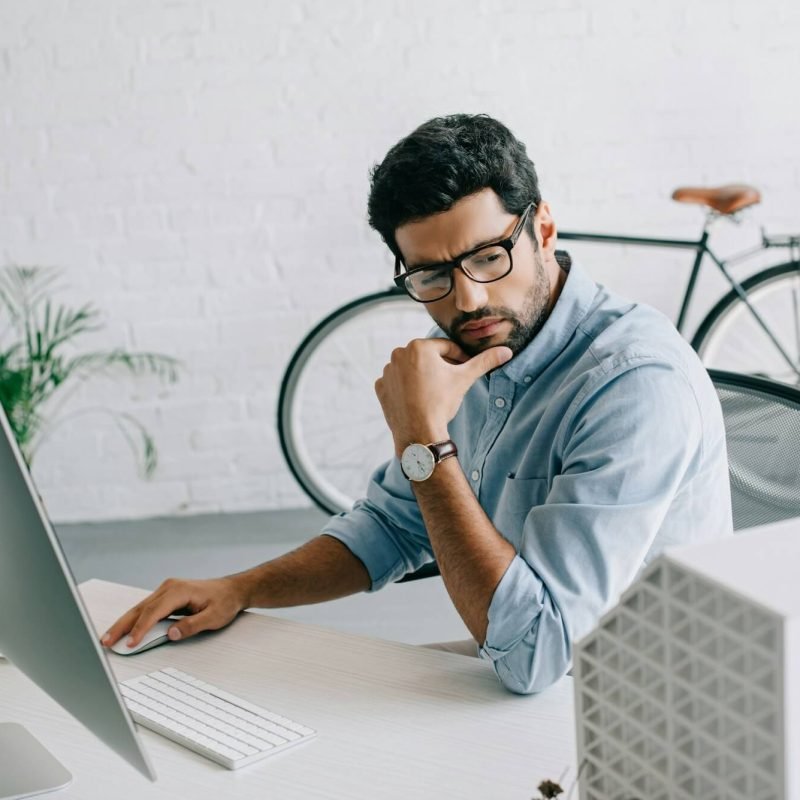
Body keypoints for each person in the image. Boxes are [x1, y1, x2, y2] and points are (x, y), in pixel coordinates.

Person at [101, 114, 732, 694]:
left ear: (542, 228)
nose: (467, 301)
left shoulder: (633, 386)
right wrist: (241, 588)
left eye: (489, 257)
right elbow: (394, 524)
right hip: (531, 665)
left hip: (643, 700)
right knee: (270, 697)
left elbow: (538, 654)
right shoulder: (469, 345)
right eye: (431, 276)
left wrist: (422, 441)